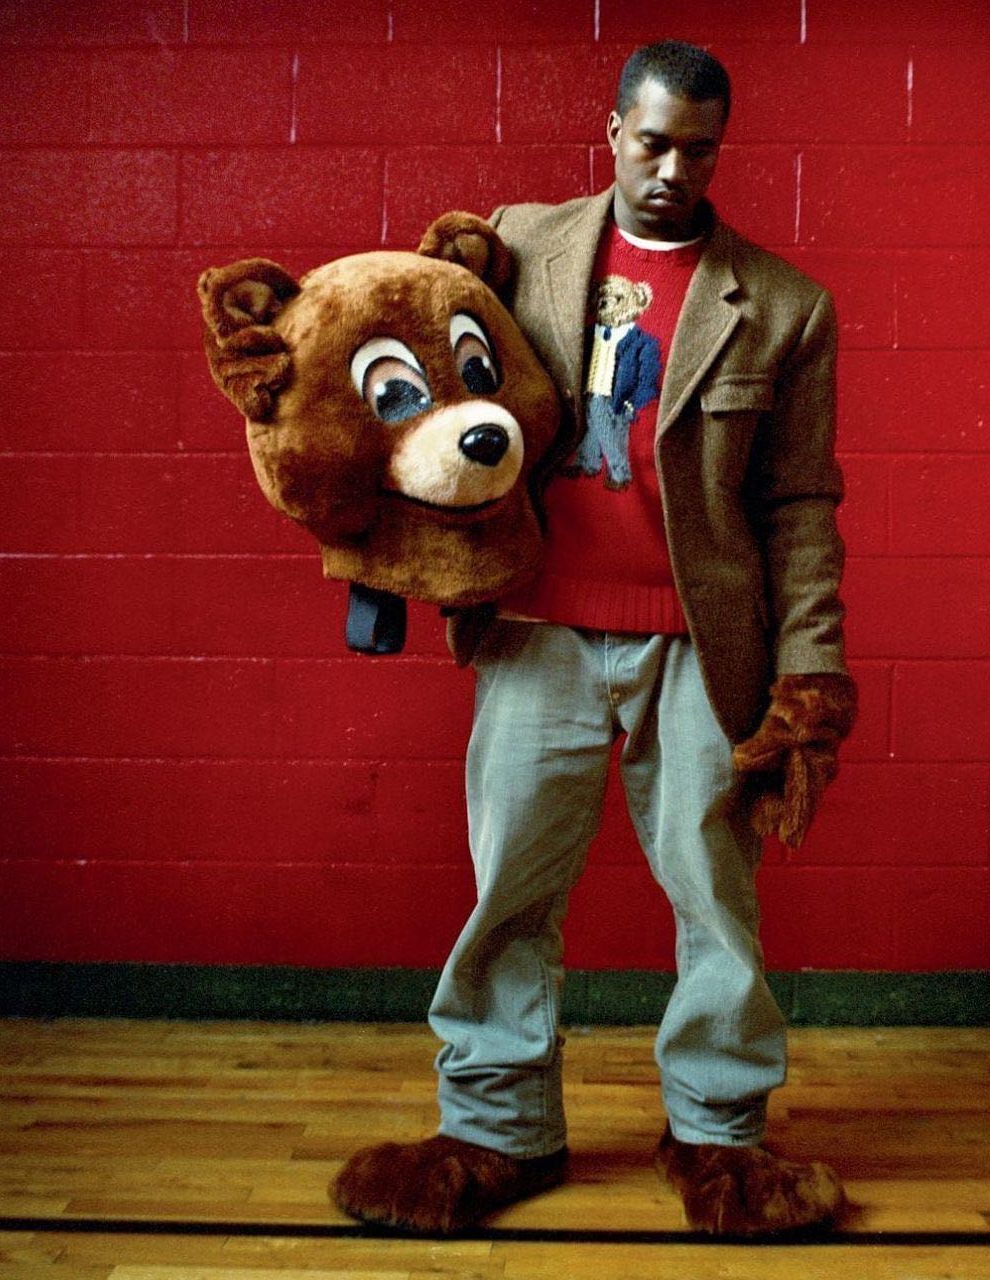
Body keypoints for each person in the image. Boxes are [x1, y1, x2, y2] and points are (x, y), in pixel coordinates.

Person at [332, 39, 857, 1239]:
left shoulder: (781, 306)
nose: (673, 167)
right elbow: (410, 374)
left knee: (713, 899)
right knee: (509, 886)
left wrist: (811, 668)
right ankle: (493, 1125)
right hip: (535, 633)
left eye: (699, 147)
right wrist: (373, 528)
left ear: (719, 147)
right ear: (612, 128)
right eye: (653, 139)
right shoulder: (522, 243)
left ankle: (720, 1137)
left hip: (698, 647)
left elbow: (801, 504)